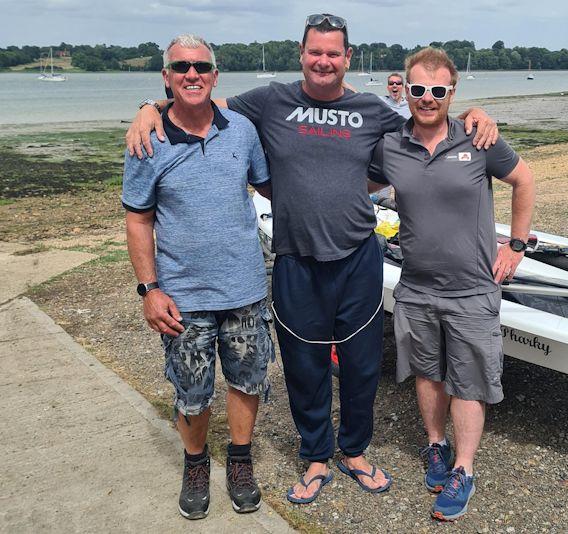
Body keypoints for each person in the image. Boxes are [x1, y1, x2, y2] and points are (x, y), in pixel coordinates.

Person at [125, 13, 499, 505]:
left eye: (333, 53)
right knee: (305, 365)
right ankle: (317, 455)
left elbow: (430, 119)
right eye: (314, 52)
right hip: (296, 259)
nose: (323, 61)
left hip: (357, 257)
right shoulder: (269, 101)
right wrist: (148, 108)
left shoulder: (372, 109)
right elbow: (199, 102)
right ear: (301, 54)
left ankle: (355, 451)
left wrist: (477, 114)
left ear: (347, 58)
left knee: (364, 366)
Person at [367, 47, 535, 521]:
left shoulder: (477, 137)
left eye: (437, 91)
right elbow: (356, 182)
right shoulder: (391, 144)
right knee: (427, 372)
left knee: (469, 380)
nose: (426, 98)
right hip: (417, 287)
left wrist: (515, 246)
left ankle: (463, 468)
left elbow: (524, 181)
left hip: (472, 289)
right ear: (406, 87)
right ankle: (435, 446)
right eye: (417, 89)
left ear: (452, 93)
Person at [123, 34, 273, 520]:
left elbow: (271, 184)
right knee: (191, 389)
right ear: (166, 77)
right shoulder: (148, 140)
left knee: (247, 382)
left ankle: (240, 460)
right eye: (181, 67)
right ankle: (194, 463)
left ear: (215, 74)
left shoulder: (243, 130)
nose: (193, 74)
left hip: (245, 288)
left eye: (201, 66)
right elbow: (137, 219)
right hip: (183, 296)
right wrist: (149, 289)